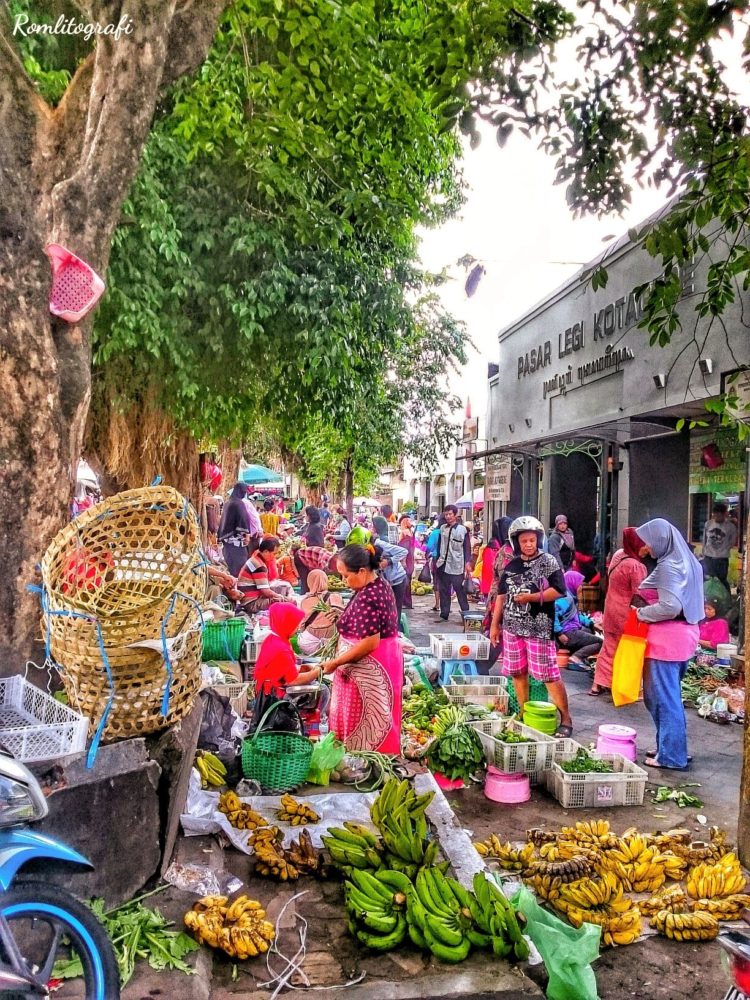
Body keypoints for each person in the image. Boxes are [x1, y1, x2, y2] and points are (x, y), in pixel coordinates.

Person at [489, 515, 573, 737]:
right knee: (518, 673)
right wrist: (495, 625)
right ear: (517, 542)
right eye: (524, 541)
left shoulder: (548, 562)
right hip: (512, 628)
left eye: (532, 540)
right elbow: (501, 596)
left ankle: (565, 718)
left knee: (548, 674)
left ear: (539, 540)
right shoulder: (511, 565)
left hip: (539, 628)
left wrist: (533, 598)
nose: (528, 544)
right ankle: (525, 714)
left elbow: (559, 590)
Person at [320, 544, 402, 753]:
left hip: (371, 665)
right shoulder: (377, 584)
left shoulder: (369, 596)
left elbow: (369, 642)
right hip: (383, 660)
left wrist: (336, 662)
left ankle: (360, 764)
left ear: (362, 571)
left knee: (366, 719)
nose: (343, 581)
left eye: (346, 576)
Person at [635, 518, 703, 770]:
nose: (648, 547)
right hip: (686, 638)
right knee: (670, 696)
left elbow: (670, 607)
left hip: (666, 642)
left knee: (662, 699)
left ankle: (672, 756)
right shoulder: (689, 561)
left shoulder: (668, 566)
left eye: (650, 542)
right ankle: (670, 746)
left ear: (662, 541)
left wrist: (642, 613)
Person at [590, 528, 648, 696]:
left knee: (609, 647)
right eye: (645, 544)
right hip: (626, 612)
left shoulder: (618, 555)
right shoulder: (636, 566)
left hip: (610, 609)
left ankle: (598, 684)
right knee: (630, 650)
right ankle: (627, 688)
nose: (647, 548)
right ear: (637, 544)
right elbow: (639, 593)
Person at [254, 603, 322, 698]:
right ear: (287, 624)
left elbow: (283, 669)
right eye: (295, 624)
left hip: (267, 690)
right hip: (275, 695)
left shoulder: (273, 638)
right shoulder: (281, 649)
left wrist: (305, 669)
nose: (298, 627)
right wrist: (316, 672)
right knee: (323, 690)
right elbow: (293, 680)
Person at [554, 569, 603, 668]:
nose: (581, 587)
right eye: (580, 584)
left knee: (590, 631)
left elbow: (575, 616)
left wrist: (591, 624)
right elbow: (552, 614)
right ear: (572, 583)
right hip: (568, 632)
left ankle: (578, 657)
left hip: (571, 629)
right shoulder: (565, 598)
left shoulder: (570, 597)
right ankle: (576, 657)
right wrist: (559, 633)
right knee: (600, 642)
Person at [434, 504, 471, 622]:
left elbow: (467, 547)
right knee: (444, 590)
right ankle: (444, 613)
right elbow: (439, 545)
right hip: (443, 564)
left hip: (456, 565)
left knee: (459, 590)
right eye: (446, 514)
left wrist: (467, 562)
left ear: (455, 515)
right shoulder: (442, 529)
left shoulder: (462, 530)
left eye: (450, 514)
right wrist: (437, 559)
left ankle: (466, 613)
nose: (448, 516)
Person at [297, 569, 345, 655]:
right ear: (325, 580)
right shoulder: (335, 597)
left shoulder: (304, 600)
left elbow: (301, 626)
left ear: (309, 582)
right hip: (332, 644)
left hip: (308, 643)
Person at [371, 516, 409, 620]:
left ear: (377, 528)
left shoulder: (381, 541)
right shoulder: (374, 541)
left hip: (397, 579)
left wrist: (388, 561)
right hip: (388, 580)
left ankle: (396, 633)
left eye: (372, 526)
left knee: (395, 611)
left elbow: (404, 551)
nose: (370, 528)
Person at [238, 538, 287, 613]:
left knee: (283, 589)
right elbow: (265, 591)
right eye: (274, 553)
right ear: (266, 552)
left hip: (249, 599)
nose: (274, 557)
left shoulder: (255, 559)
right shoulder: (259, 565)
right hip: (250, 603)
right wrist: (279, 596)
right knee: (288, 602)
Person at [218, 482, 253, 577]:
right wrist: (247, 534)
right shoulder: (238, 504)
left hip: (227, 543)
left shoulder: (227, 503)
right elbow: (243, 519)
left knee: (230, 567)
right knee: (239, 569)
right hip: (237, 543)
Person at [702, 502, 737, 587]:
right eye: (715, 515)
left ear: (724, 514)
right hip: (709, 557)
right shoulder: (708, 524)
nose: (717, 518)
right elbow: (704, 539)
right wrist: (704, 550)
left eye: (719, 516)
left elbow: (733, 541)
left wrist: (725, 548)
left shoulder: (730, 527)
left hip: (722, 559)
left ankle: (725, 599)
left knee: (722, 581)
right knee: (708, 581)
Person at [425, 516, 443, 613]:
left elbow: (429, 547)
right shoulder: (449, 531)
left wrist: (426, 555)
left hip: (436, 558)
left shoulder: (435, 533)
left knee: (436, 581)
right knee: (446, 582)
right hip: (448, 559)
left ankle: (437, 604)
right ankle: (445, 604)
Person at [398, 514, 417, 610]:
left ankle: (405, 602)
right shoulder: (410, 532)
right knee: (407, 582)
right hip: (410, 560)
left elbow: (404, 549)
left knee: (405, 582)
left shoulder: (404, 533)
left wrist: (403, 561)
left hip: (406, 561)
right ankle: (407, 602)